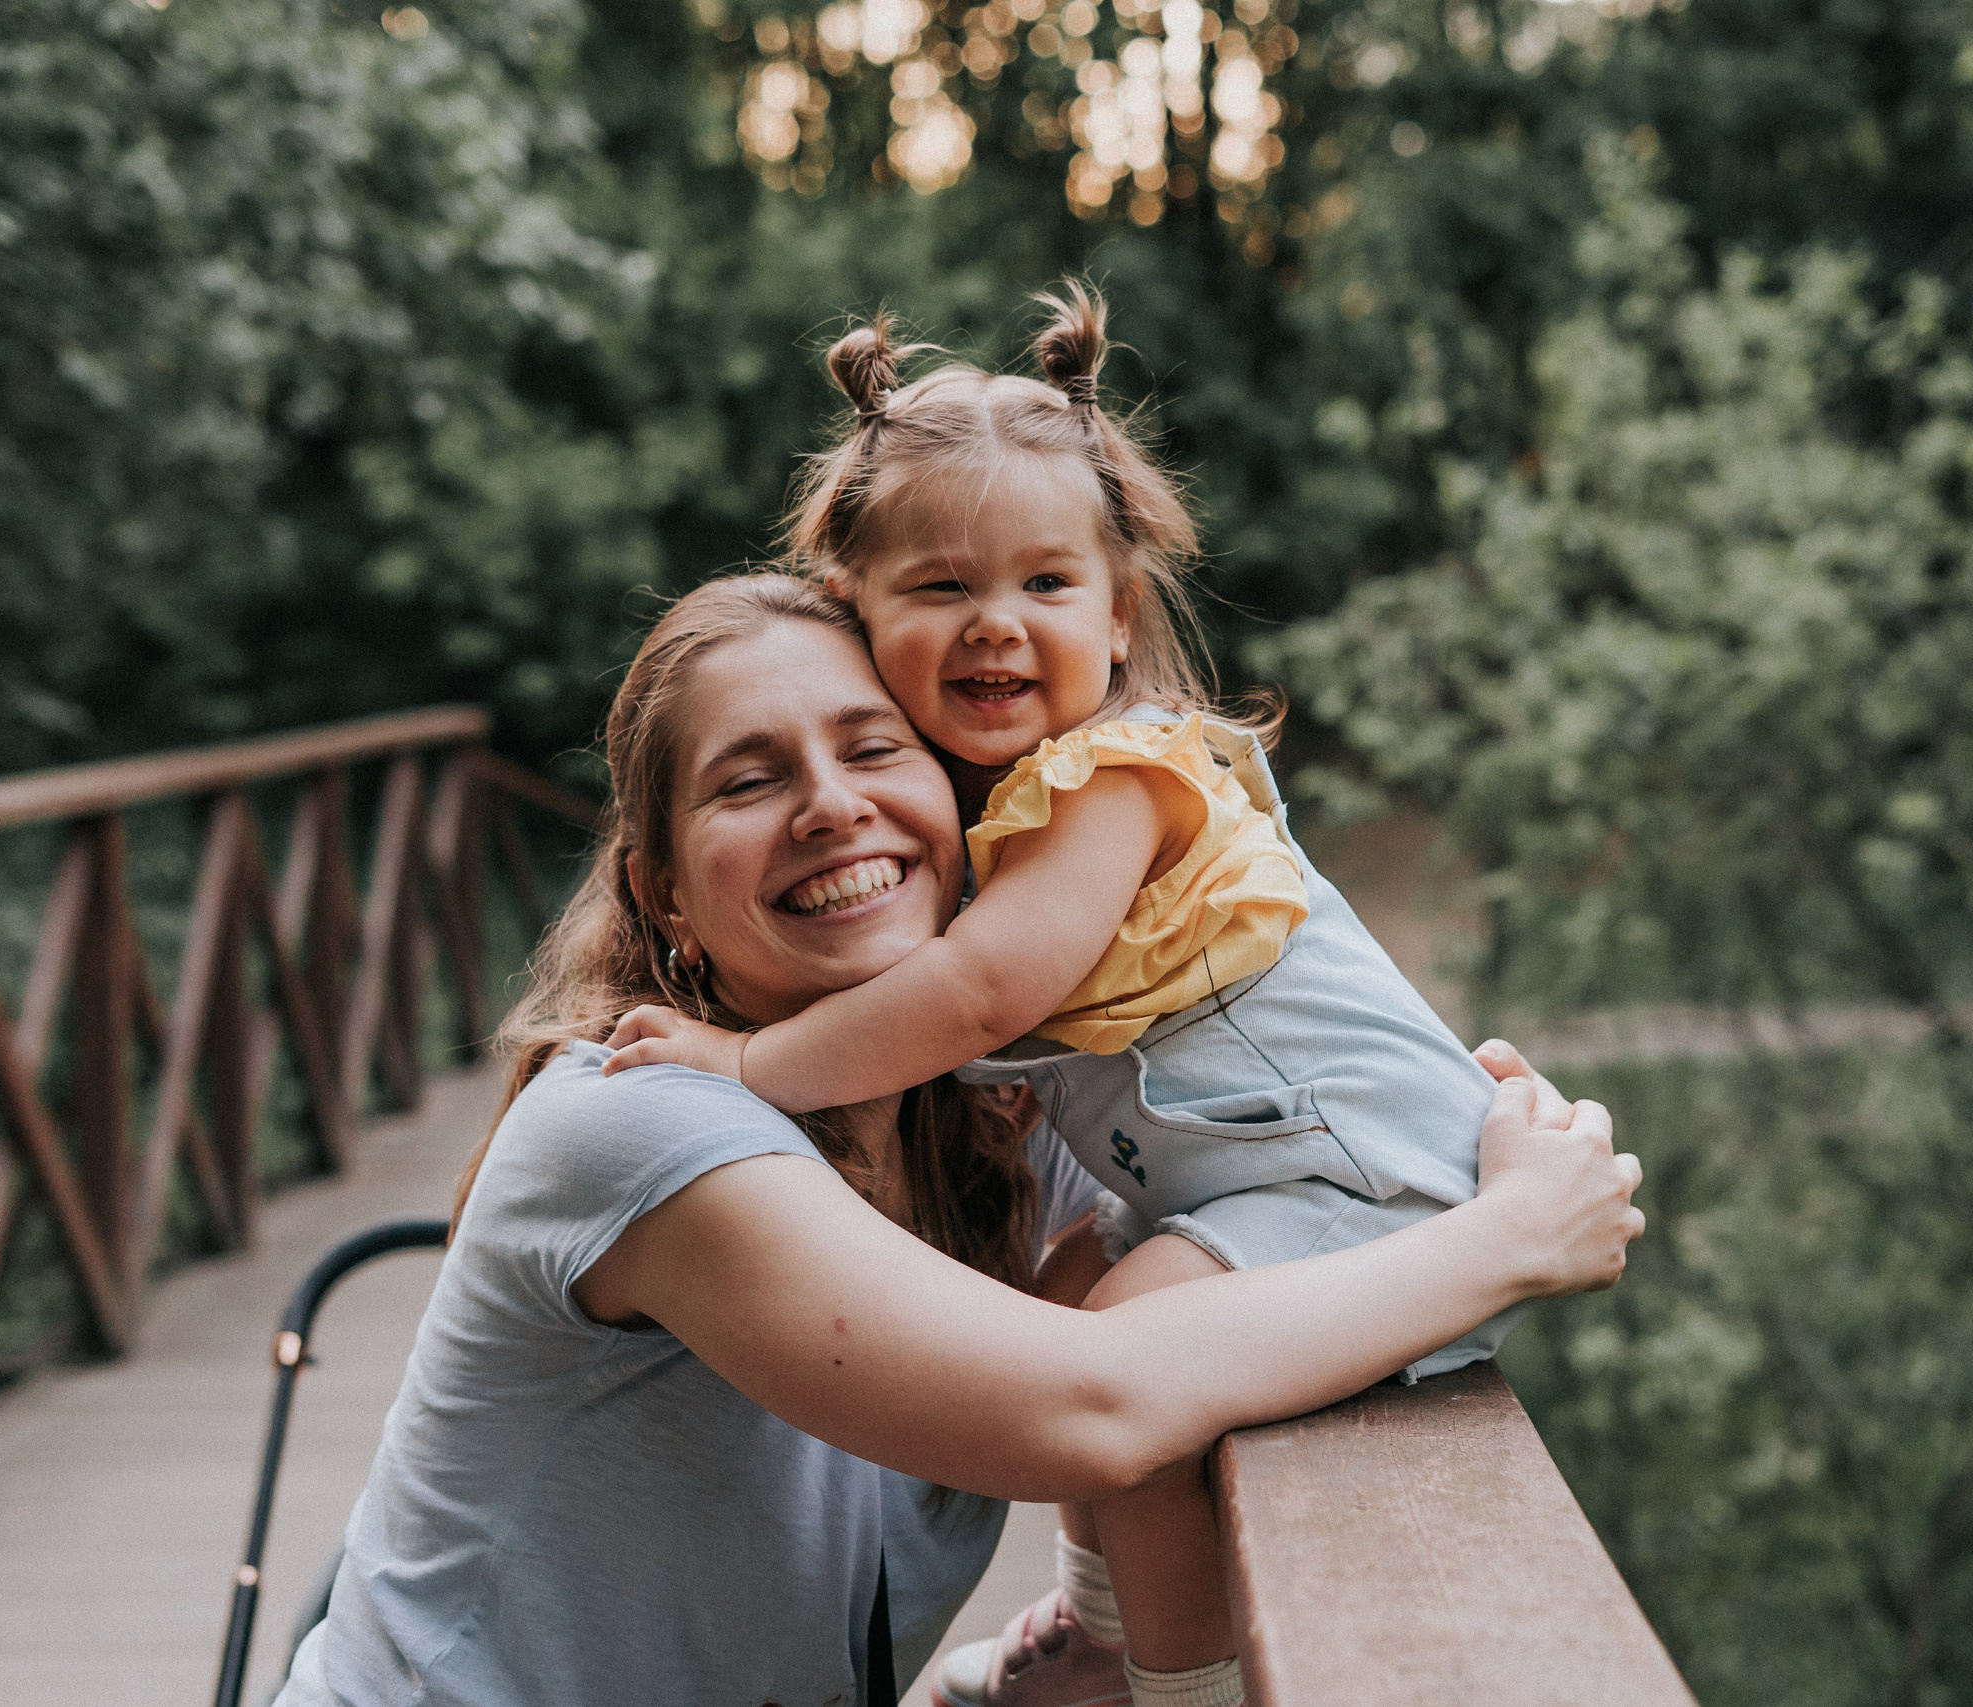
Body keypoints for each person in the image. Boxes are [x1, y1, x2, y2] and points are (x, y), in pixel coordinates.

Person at [275, 573, 1645, 1707]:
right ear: (666, 895)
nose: (831, 804)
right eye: (750, 782)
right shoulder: (635, 1122)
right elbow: (1096, 1406)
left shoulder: (995, 1109)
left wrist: (1422, 1138)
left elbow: (1254, 1210)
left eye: (875, 751)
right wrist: (1511, 1237)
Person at [596, 289, 1571, 1707]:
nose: (996, 625)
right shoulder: (994, 813)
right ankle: (1099, 1625)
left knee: (1119, 1369)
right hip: (1227, 1175)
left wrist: (745, 1072)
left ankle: (1175, 1691)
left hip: (1362, 1181)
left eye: (1045, 586)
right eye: (941, 588)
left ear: (1118, 620)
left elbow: (985, 994)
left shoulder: (1114, 776)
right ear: (856, 620)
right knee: (1058, 1292)